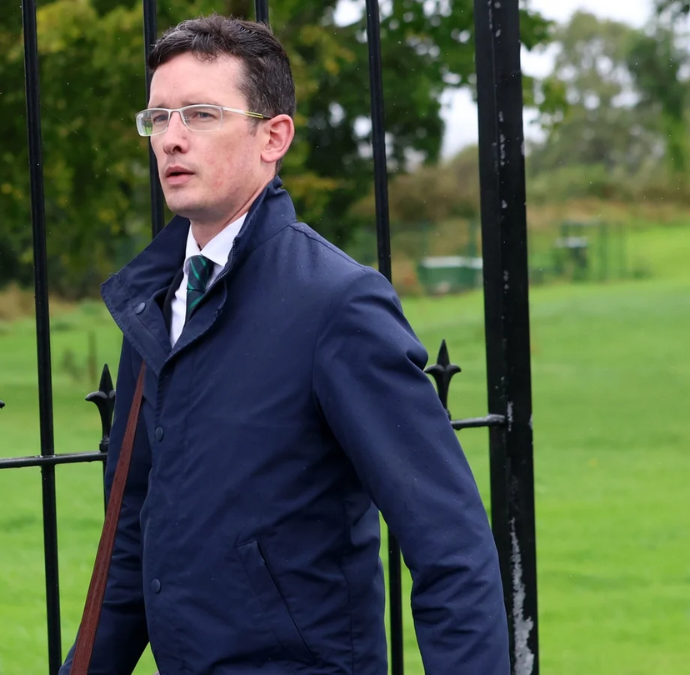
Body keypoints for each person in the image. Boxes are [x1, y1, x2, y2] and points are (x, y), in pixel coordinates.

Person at [59, 14, 509, 675]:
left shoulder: (338, 304)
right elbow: (130, 544)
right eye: (158, 118)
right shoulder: (154, 302)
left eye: (201, 115)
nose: (171, 138)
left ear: (274, 136)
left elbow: (450, 545)